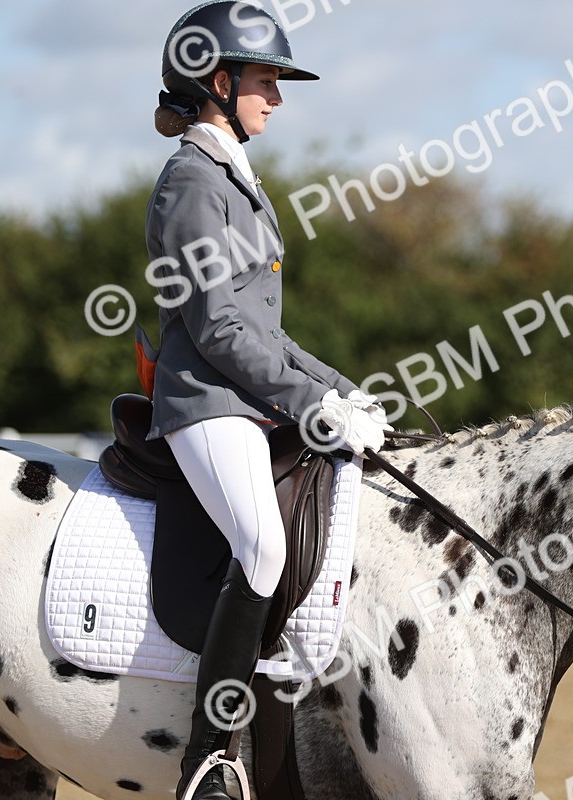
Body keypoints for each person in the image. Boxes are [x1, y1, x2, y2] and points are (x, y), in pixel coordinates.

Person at [145, 3, 391, 798]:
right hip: (206, 402)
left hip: (249, 394)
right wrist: (306, 403)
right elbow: (217, 326)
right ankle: (209, 759)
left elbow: (270, 335)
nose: (277, 98)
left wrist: (344, 394)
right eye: (265, 80)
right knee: (264, 548)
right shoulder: (191, 180)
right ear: (218, 82)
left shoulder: (232, 178)